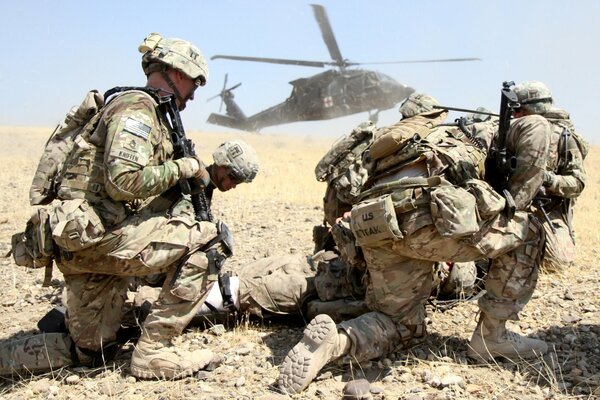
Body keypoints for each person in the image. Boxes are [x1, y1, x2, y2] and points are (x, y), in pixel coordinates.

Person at [2, 33, 248, 380]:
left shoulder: (145, 111)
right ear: (177, 73)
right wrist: (186, 167)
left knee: (89, 352)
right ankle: (154, 353)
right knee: (211, 241)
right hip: (101, 236)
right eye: (193, 83)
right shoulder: (137, 108)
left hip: (87, 240)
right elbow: (124, 181)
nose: (193, 95)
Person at [278, 89, 550, 394]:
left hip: (375, 225)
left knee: (399, 324)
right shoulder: (474, 129)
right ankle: (491, 338)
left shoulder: (393, 143)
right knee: (532, 231)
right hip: (424, 217)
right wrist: (516, 200)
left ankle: (337, 342)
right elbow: (536, 126)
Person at [537, 105, 587, 272]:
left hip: (547, 207)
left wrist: (547, 179)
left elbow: (577, 184)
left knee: (559, 262)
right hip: (513, 203)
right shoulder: (515, 133)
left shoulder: (565, 139)